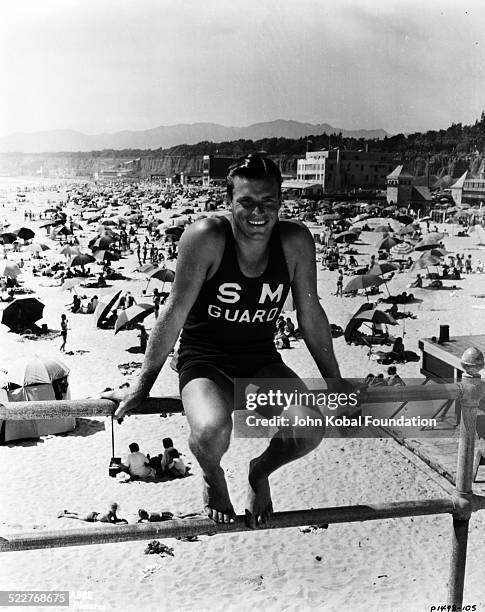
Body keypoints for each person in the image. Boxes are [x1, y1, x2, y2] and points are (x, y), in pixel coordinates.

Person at [102, 153, 348, 528]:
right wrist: (142, 383)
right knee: (211, 431)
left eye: (268, 202)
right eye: (246, 202)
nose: (258, 213)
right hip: (205, 360)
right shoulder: (206, 238)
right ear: (229, 202)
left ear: (281, 202)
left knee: (309, 428)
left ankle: (259, 472)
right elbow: (173, 312)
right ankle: (213, 476)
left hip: (260, 361)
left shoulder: (296, 242)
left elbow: (311, 314)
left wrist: (336, 383)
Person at [58, 502, 127, 524]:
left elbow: (115, 519)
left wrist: (120, 520)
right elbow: (111, 522)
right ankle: (63, 514)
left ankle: (68, 512)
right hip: (92, 518)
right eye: (115, 509)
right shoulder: (109, 514)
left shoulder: (112, 512)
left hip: (94, 514)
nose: (115, 510)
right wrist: (120, 521)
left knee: (79, 514)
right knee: (77, 517)